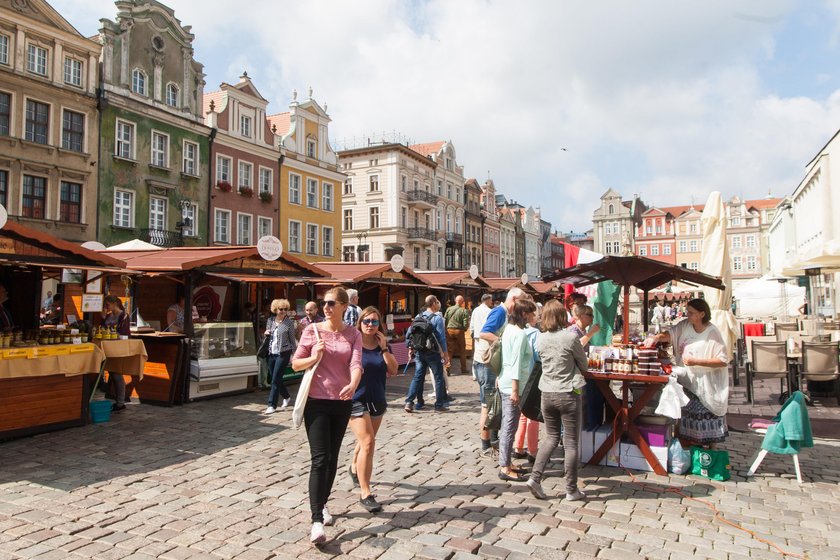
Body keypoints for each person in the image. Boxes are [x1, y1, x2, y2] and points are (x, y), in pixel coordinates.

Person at [292, 287, 363, 545]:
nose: (326, 307)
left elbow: (356, 363)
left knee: (332, 458)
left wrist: (354, 383)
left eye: (332, 303)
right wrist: (314, 356)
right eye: (324, 303)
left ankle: (322, 503)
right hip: (317, 402)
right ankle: (316, 522)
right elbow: (295, 363)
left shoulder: (353, 334)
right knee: (320, 459)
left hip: (342, 402)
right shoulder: (313, 331)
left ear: (344, 306)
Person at [646, 298, 730, 447]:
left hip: (706, 385)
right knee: (686, 421)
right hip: (687, 382)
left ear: (702, 314)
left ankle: (707, 456)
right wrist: (657, 337)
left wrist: (696, 361)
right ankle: (688, 453)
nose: (687, 315)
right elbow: (670, 334)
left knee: (706, 423)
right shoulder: (685, 325)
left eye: (691, 313)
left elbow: (723, 360)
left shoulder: (712, 332)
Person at [526, 299, 588, 502]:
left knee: (551, 438)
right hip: (568, 393)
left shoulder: (540, 339)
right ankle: (571, 489)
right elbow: (584, 365)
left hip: (546, 393)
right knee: (570, 442)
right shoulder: (570, 338)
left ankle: (535, 478)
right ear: (562, 317)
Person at [348, 306, 397, 514]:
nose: (370, 325)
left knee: (364, 443)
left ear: (379, 325)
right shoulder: (353, 345)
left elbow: (393, 370)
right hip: (355, 400)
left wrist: (384, 348)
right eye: (366, 321)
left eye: (374, 322)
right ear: (360, 323)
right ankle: (365, 492)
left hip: (377, 399)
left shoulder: (382, 345)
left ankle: (353, 467)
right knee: (368, 442)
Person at [478, 288, 524, 454]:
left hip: (494, 365)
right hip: (488, 365)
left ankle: (493, 440)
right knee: (488, 405)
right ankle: (485, 445)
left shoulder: (505, 313)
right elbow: (484, 333)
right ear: (513, 299)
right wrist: (505, 341)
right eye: (520, 302)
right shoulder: (499, 312)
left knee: (495, 405)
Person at [497, 297, 538, 482]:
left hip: (506, 381)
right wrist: (515, 390)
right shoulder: (520, 334)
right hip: (514, 385)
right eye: (531, 312)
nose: (533, 315)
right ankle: (504, 467)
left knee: (510, 425)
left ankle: (507, 463)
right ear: (523, 314)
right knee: (509, 426)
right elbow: (515, 363)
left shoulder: (509, 329)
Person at [404, 295, 450, 412]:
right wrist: (445, 353)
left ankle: (412, 402)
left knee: (418, 377)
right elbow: (441, 338)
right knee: (438, 377)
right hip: (432, 352)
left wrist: (410, 348)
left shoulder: (418, 316)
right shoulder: (436, 318)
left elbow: (409, 334)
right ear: (434, 303)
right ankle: (439, 405)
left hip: (419, 351)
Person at [513, 302, 541, 464]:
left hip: (519, 378)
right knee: (533, 416)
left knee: (523, 415)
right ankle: (532, 451)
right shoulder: (535, 333)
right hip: (532, 377)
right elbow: (538, 356)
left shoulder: (516, 331)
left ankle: (518, 447)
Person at [569, 304, 603, 430]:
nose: (592, 318)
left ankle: (589, 429)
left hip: (585, 373)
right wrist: (591, 333)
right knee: (581, 405)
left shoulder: (582, 331)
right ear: (580, 316)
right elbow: (577, 345)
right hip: (577, 375)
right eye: (589, 315)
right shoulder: (573, 330)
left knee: (589, 402)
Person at [264, 299, 297, 414]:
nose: (283, 311)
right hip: (271, 353)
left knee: (275, 380)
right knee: (275, 378)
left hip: (284, 353)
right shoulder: (270, 320)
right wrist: (266, 333)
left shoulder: (289, 323)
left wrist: (294, 355)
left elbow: (292, 340)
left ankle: (271, 405)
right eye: (281, 309)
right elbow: (268, 333)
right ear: (275, 310)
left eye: (285, 309)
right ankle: (287, 396)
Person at [103, 295, 130, 412]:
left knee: (116, 374)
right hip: (108, 347)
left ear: (114, 304)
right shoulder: (109, 315)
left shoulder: (123, 316)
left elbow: (124, 332)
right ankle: (118, 401)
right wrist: (103, 318)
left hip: (117, 348)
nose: (106, 307)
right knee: (112, 373)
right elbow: (103, 329)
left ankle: (120, 402)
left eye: (107, 305)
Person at [444, 295, 470, 375]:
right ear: (462, 302)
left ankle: (447, 368)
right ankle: (463, 369)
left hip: (449, 330)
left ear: (455, 301)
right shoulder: (464, 311)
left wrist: (447, 328)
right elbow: (466, 323)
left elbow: (445, 320)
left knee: (449, 350)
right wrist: (464, 329)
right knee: (462, 350)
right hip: (459, 331)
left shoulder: (449, 309)